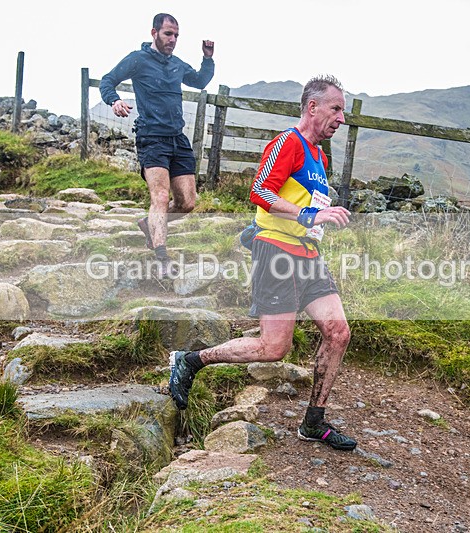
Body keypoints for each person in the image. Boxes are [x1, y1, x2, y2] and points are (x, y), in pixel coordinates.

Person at [168, 74, 357, 451]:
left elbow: (296, 201)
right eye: (336, 109)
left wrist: (317, 218)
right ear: (312, 106)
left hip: (307, 255)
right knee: (274, 348)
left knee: (338, 333)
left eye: (344, 111)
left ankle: (313, 423)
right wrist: (307, 216)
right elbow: (261, 190)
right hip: (277, 253)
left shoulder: (320, 155)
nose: (341, 118)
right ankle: (189, 360)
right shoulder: (289, 141)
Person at [99, 13, 215, 275]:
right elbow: (108, 80)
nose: (172, 40)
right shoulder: (138, 60)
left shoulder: (177, 64)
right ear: (154, 33)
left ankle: (149, 222)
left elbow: (199, 81)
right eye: (167, 34)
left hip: (178, 138)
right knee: (161, 196)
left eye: (176, 35)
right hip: (151, 136)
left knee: (187, 203)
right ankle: (161, 257)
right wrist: (114, 100)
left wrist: (207, 59)